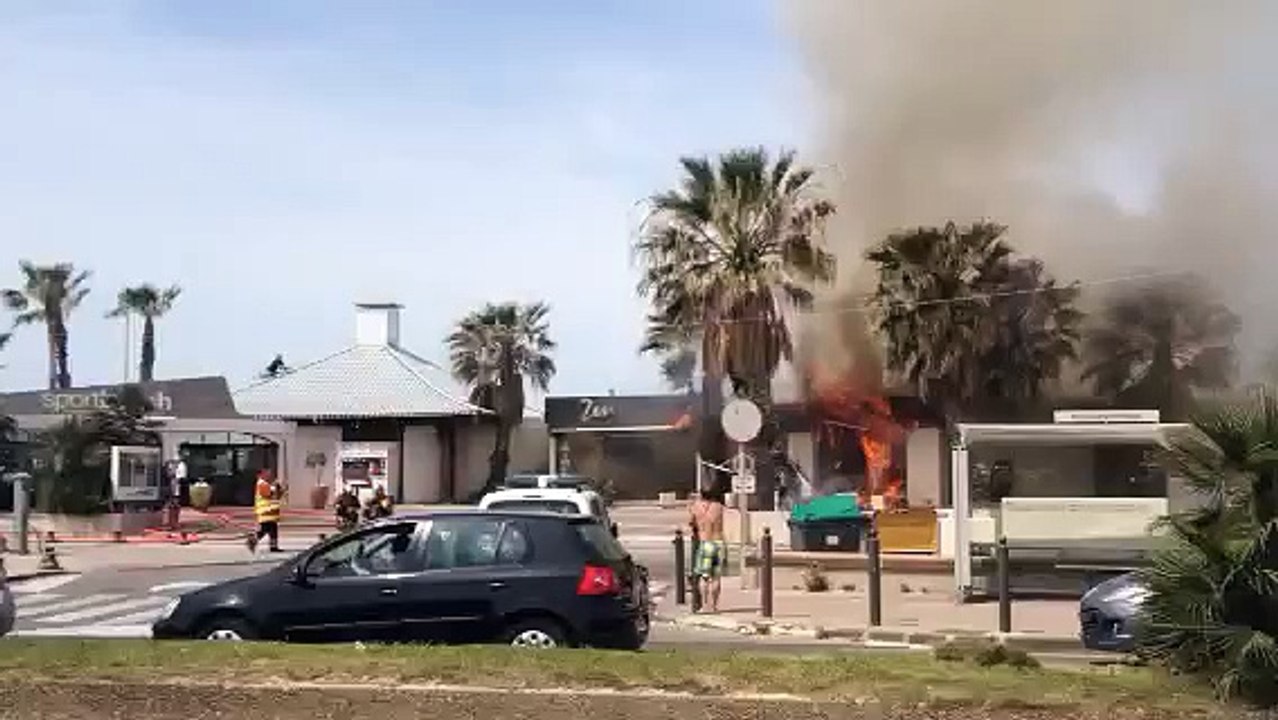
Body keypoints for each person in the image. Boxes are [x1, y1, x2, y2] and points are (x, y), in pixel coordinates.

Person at [688, 487, 727, 613]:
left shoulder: (695, 507)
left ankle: (704, 606)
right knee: (716, 577)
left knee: (704, 577)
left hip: (705, 542)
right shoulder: (719, 507)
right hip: (718, 542)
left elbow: (690, 523)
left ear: (701, 495)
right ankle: (715, 606)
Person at [247, 470, 282, 553]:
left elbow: (277, 495)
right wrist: (274, 487)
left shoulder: (266, 484)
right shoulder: (262, 484)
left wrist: (277, 488)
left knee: (272, 529)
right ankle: (252, 540)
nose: (269, 476)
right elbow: (267, 494)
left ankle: (273, 546)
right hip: (265, 512)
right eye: (266, 474)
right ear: (260, 475)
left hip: (270, 512)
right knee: (265, 529)